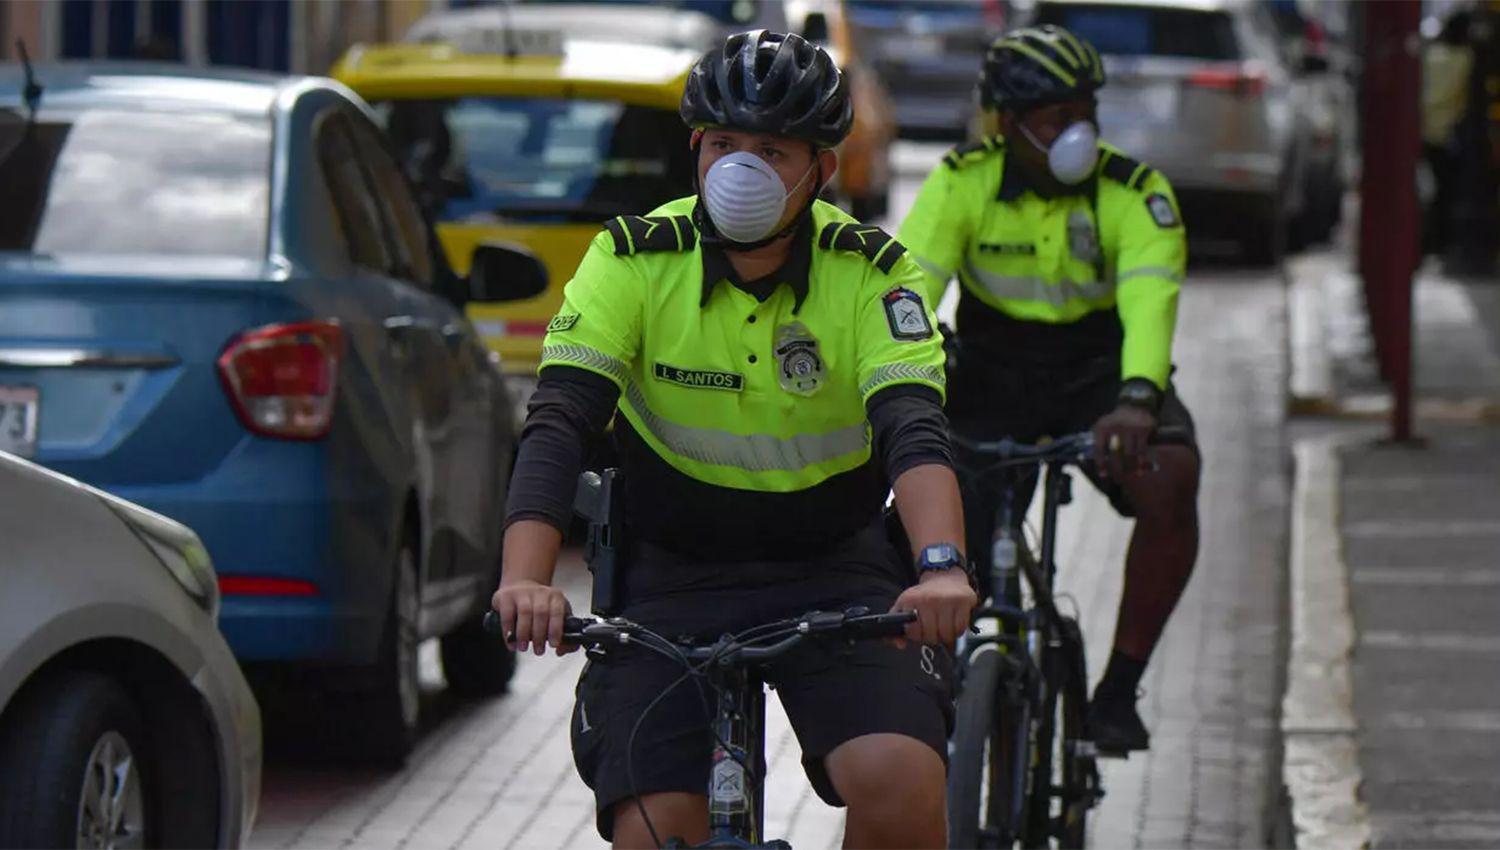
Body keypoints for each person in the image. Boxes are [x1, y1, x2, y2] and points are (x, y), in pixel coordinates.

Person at [492, 30, 977, 849]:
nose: (739, 169)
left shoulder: (872, 271)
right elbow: (560, 422)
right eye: (722, 144)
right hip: (670, 573)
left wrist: (940, 567)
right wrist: (526, 581)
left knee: (903, 782)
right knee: (656, 827)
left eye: (772, 150)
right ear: (694, 147)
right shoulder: (632, 257)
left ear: (822, 170)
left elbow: (913, 428)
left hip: (835, 568)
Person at [897, 25, 1202, 757]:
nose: (1078, 131)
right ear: (1007, 123)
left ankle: (1118, 692)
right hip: (990, 373)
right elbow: (906, 289)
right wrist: (904, 379)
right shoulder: (963, 180)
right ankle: (927, 695)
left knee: (1173, 480)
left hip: (1100, 377)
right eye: (1056, 118)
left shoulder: (1134, 192)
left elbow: (1151, 304)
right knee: (916, 522)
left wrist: (1137, 398)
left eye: (1085, 112)